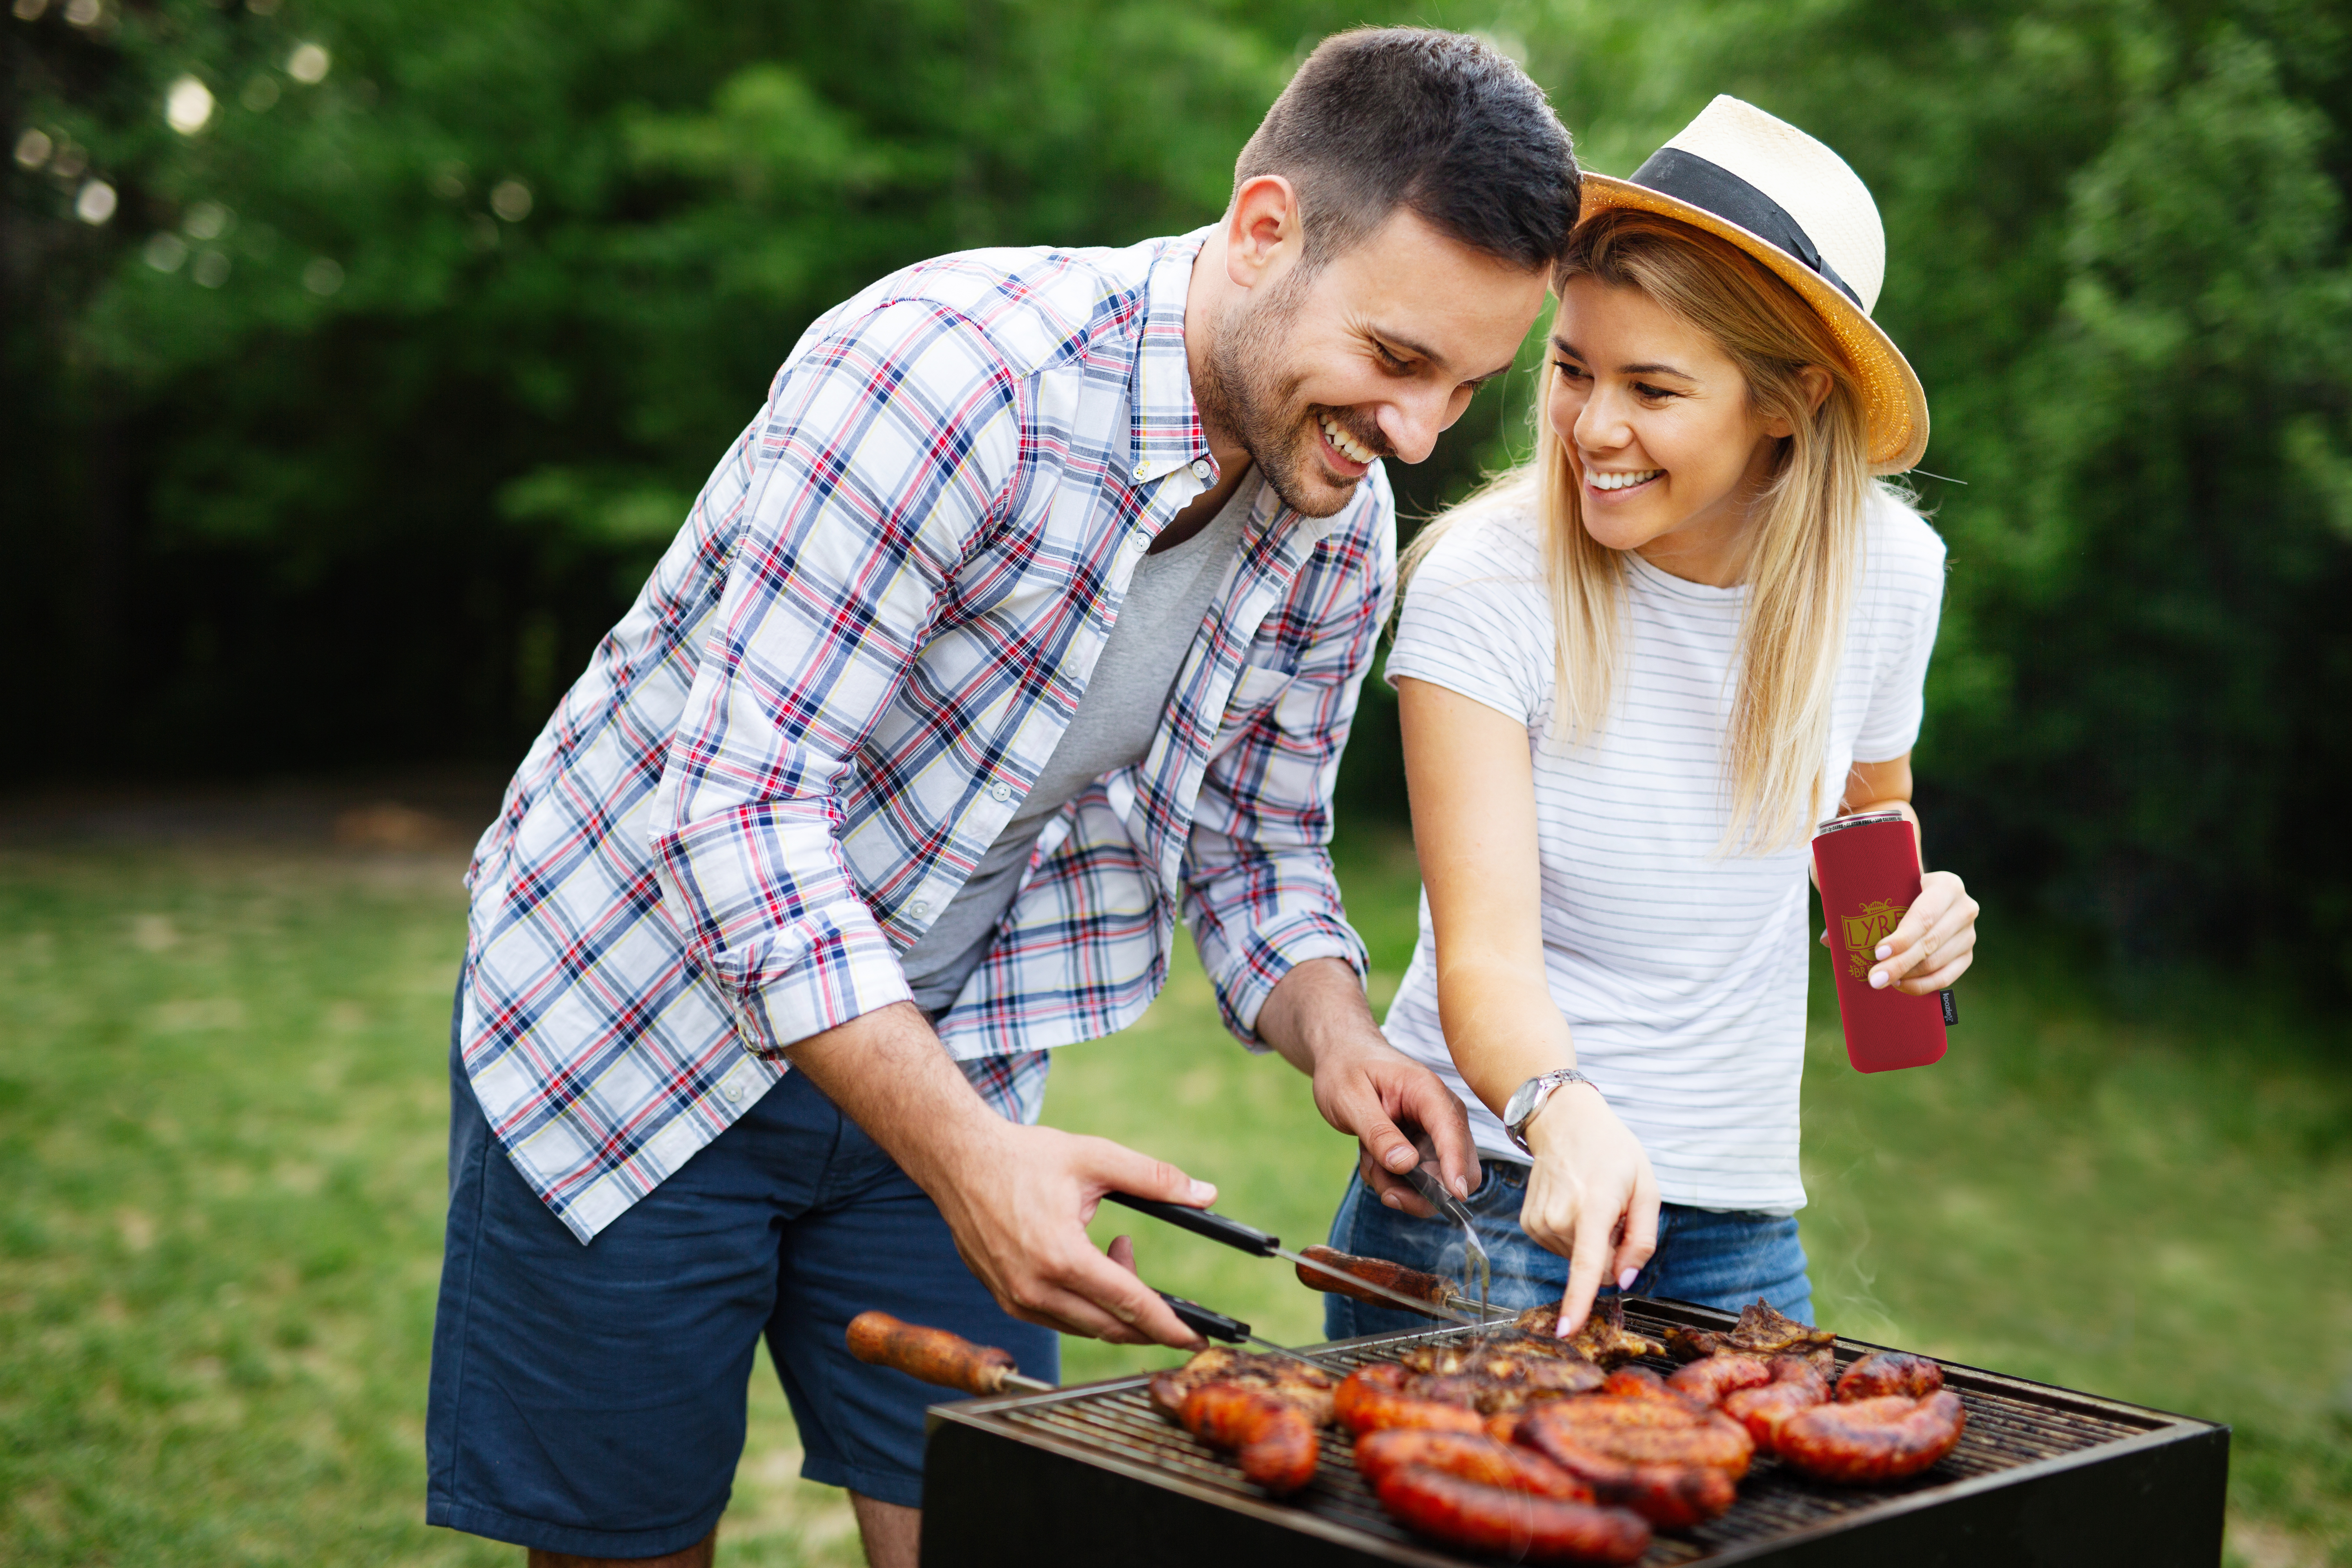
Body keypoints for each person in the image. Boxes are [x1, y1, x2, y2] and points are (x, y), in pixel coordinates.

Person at [427, 29, 1581, 1568]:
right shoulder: (946, 377)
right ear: (1263, 231)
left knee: (995, 1532)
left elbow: (1257, 845)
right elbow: (736, 817)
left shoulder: (1337, 510)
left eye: (1467, 386)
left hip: (948, 1053)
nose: (1420, 434)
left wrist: (1339, 1036)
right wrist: (971, 1162)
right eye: (1396, 358)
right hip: (627, 1036)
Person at [1321, 97, 1982, 1347]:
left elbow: (1868, 821)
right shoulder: (1485, 579)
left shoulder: (1890, 571)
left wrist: (1919, 919)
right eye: (1573, 371)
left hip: (1737, 1209)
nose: (1594, 429)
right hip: (1495, 1187)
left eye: (1653, 388)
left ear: (1786, 405)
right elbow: (1486, 960)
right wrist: (1567, 1113)